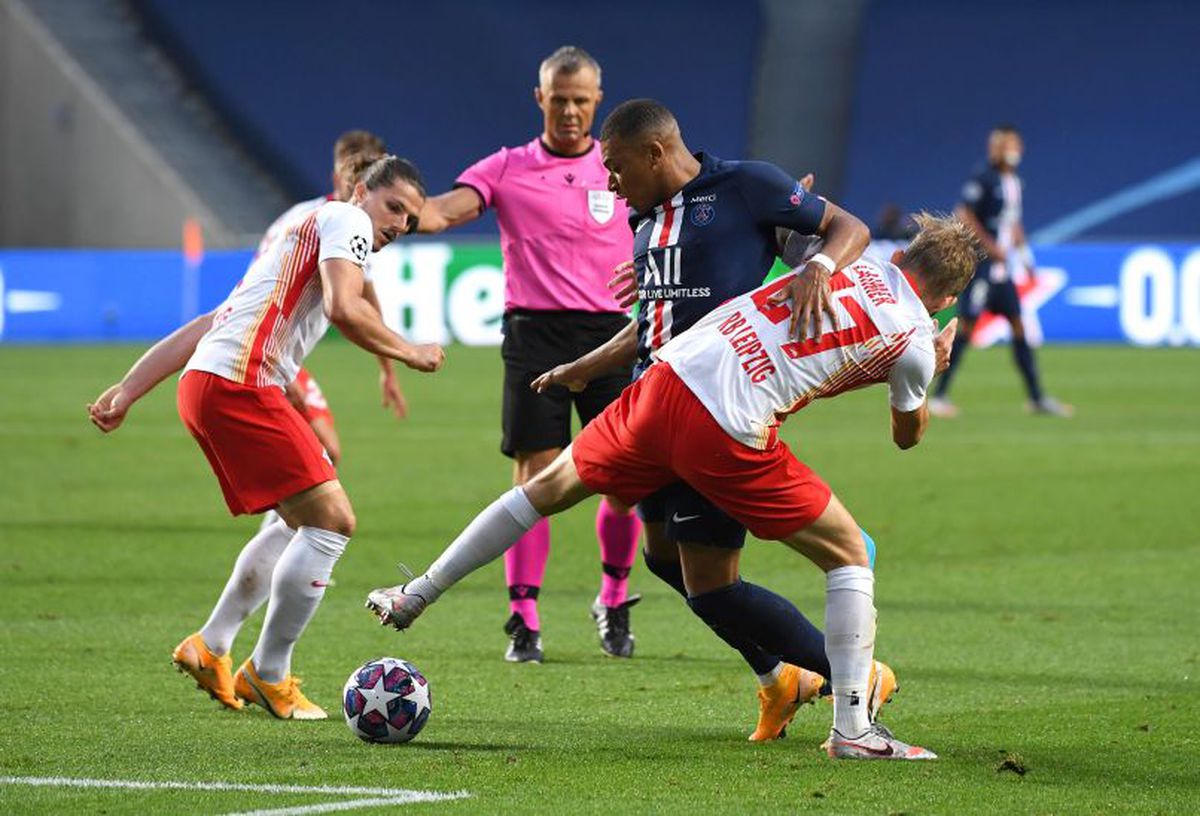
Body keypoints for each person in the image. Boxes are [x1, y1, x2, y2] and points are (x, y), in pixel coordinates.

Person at [366, 211, 976, 759]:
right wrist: (934, 361)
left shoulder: (849, 261)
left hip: (669, 376)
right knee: (849, 553)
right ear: (945, 300)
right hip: (729, 422)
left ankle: (416, 592)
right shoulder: (916, 339)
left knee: (542, 491)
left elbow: (793, 240)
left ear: (899, 257)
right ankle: (853, 728)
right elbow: (906, 435)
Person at [527, 98, 890, 742]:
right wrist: (586, 366)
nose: (608, 182)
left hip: (718, 408)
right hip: (654, 405)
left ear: (655, 151)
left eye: (613, 166)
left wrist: (820, 267)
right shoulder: (649, 223)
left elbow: (845, 228)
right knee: (665, 559)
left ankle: (850, 674)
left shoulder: (747, 186)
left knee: (712, 580)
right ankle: (780, 678)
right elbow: (653, 322)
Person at [88, 155, 445, 720]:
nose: (396, 226)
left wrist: (131, 388)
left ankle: (211, 645)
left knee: (295, 519)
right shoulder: (346, 222)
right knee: (333, 521)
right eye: (393, 207)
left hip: (209, 383)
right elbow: (343, 307)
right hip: (240, 386)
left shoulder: (300, 238)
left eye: (407, 223)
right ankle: (269, 673)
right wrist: (409, 349)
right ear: (360, 192)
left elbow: (214, 319)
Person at [414, 46, 643, 662]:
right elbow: (445, 210)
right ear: (540, 98)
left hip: (613, 335)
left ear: (597, 100)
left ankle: (614, 601)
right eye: (559, 98)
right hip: (535, 337)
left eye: (580, 99)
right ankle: (524, 618)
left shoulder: (622, 166)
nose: (569, 110)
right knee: (535, 478)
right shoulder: (508, 166)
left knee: (623, 480)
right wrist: (406, 210)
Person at [930, 125, 1071, 418]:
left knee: (1019, 325)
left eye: (1016, 144)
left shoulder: (1015, 182)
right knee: (966, 328)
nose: (1013, 150)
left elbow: (1014, 224)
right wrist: (989, 246)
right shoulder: (984, 178)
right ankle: (938, 396)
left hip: (1003, 272)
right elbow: (964, 213)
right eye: (1007, 144)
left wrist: (1026, 258)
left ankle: (1036, 398)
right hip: (982, 268)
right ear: (995, 147)